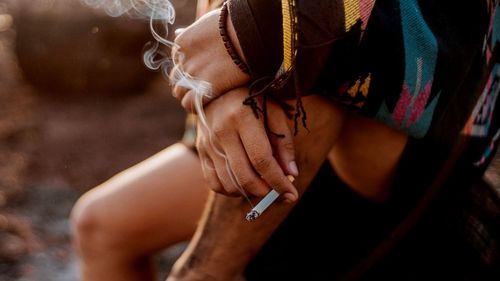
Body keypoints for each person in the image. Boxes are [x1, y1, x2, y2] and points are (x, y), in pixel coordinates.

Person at [164, 0, 500, 280]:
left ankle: (202, 272)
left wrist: (264, 30)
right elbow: (208, 39)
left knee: (310, 73)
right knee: (110, 228)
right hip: (271, 135)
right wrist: (222, 93)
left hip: (420, 135)